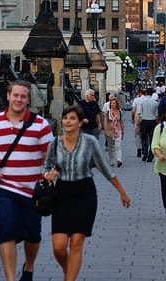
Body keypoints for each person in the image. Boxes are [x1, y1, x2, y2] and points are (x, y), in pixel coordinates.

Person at [43, 105, 131, 281]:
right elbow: (47, 167)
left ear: (81, 122)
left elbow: (105, 169)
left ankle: (70, 278)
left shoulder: (90, 142)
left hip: (84, 194)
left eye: (72, 118)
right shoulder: (55, 143)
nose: (68, 121)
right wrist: (48, 174)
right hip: (61, 195)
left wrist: (122, 192)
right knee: (59, 247)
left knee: (76, 242)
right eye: (65, 117)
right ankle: (68, 269)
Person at [0, 80, 54, 281]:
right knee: (6, 231)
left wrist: (50, 174)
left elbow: (53, 156)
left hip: (32, 190)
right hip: (4, 188)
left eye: (23, 96)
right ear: (8, 96)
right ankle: (10, 278)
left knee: (33, 235)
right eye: (16, 95)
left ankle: (28, 267)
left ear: (28, 99)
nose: (19, 99)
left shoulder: (40, 125)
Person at [135, 87, 159, 161]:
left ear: (146, 93)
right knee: (152, 139)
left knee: (144, 138)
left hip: (144, 121)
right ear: (152, 94)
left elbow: (139, 113)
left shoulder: (142, 102)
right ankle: (150, 155)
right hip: (152, 122)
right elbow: (156, 114)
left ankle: (145, 153)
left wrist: (136, 124)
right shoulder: (155, 103)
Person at [104, 95, 125, 166]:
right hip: (110, 131)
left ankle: (119, 160)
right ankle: (111, 160)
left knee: (118, 146)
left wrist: (122, 131)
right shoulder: (108, 112)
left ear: (116, 104)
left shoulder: (120, 112)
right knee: (111, 146)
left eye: (114, 103)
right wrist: (106, 131)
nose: (113, 104)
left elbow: (121, 122)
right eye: (112, 103)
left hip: (117, 130)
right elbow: (105, 122)